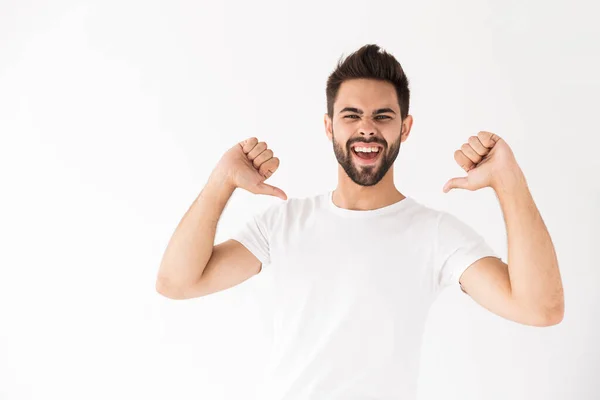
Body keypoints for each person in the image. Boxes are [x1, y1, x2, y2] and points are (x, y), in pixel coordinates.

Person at [156, 44, 564, 399]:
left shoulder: (435, 235)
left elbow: (540, 308)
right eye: (351, 115)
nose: (366, 127)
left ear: (405, 128)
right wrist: (220, 183)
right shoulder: (284, 224)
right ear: (329, 126)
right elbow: (177, 282)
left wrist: (509, 182)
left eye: (382, 116)